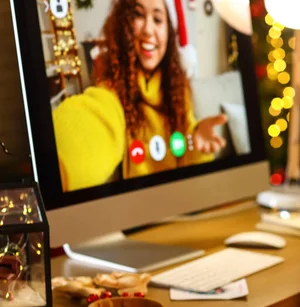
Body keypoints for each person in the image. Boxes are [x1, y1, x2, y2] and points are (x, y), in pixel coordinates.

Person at [53, 0, 227, 192]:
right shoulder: (113, 93)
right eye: (138, 15)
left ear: (169, 32)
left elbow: (188, 163)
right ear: (124, 25)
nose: (148, 30)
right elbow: (94, 122)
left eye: (158, 19)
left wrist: (196, 141)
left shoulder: (179, 91)